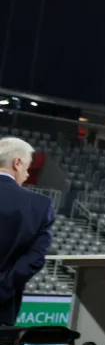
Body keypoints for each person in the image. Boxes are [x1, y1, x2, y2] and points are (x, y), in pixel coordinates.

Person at [0, 137, 53, 326]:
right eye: (27, 168)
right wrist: (3, 288)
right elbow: (35, 258)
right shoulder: (40, 205)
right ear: (17, 163)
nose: (26, 174)